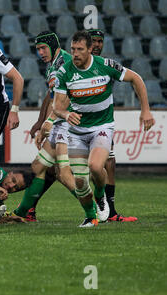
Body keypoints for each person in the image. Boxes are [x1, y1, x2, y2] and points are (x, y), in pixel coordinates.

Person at [53, 31, 155, 228]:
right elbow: (56, 106)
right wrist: (66, 115)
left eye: (80, 50)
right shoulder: (64, 72)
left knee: (95, 166)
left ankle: (100, 197)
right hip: (76, 132)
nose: (75, 54)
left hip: (102, 127)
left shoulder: (106, 66)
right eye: (73, 49)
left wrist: (146, 111)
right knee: (81, 182)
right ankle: (90, 216)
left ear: (90, 49)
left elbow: (137, 79)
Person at [13, 31, 77, 221]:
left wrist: (47, 124)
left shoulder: (64, 64)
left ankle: (95, 209)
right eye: (38, 49)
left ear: (53, 46)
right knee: (41, 167)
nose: (40, 52)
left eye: (43, 48)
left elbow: (61, 101)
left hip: (69, 125)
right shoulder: (53, 65)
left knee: (61, 173)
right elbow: (51, 97)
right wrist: (41, 121)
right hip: (61, 123)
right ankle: (24, 212)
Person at [87, 29, 137, 222]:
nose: (98, 45)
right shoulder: (75, 65)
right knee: (56, 169)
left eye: (100, 41)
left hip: (101, 125)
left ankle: (111, 212)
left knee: (109, 164)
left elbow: (132, 77)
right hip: (78, 125)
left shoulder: (106, 65)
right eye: (94, 41)